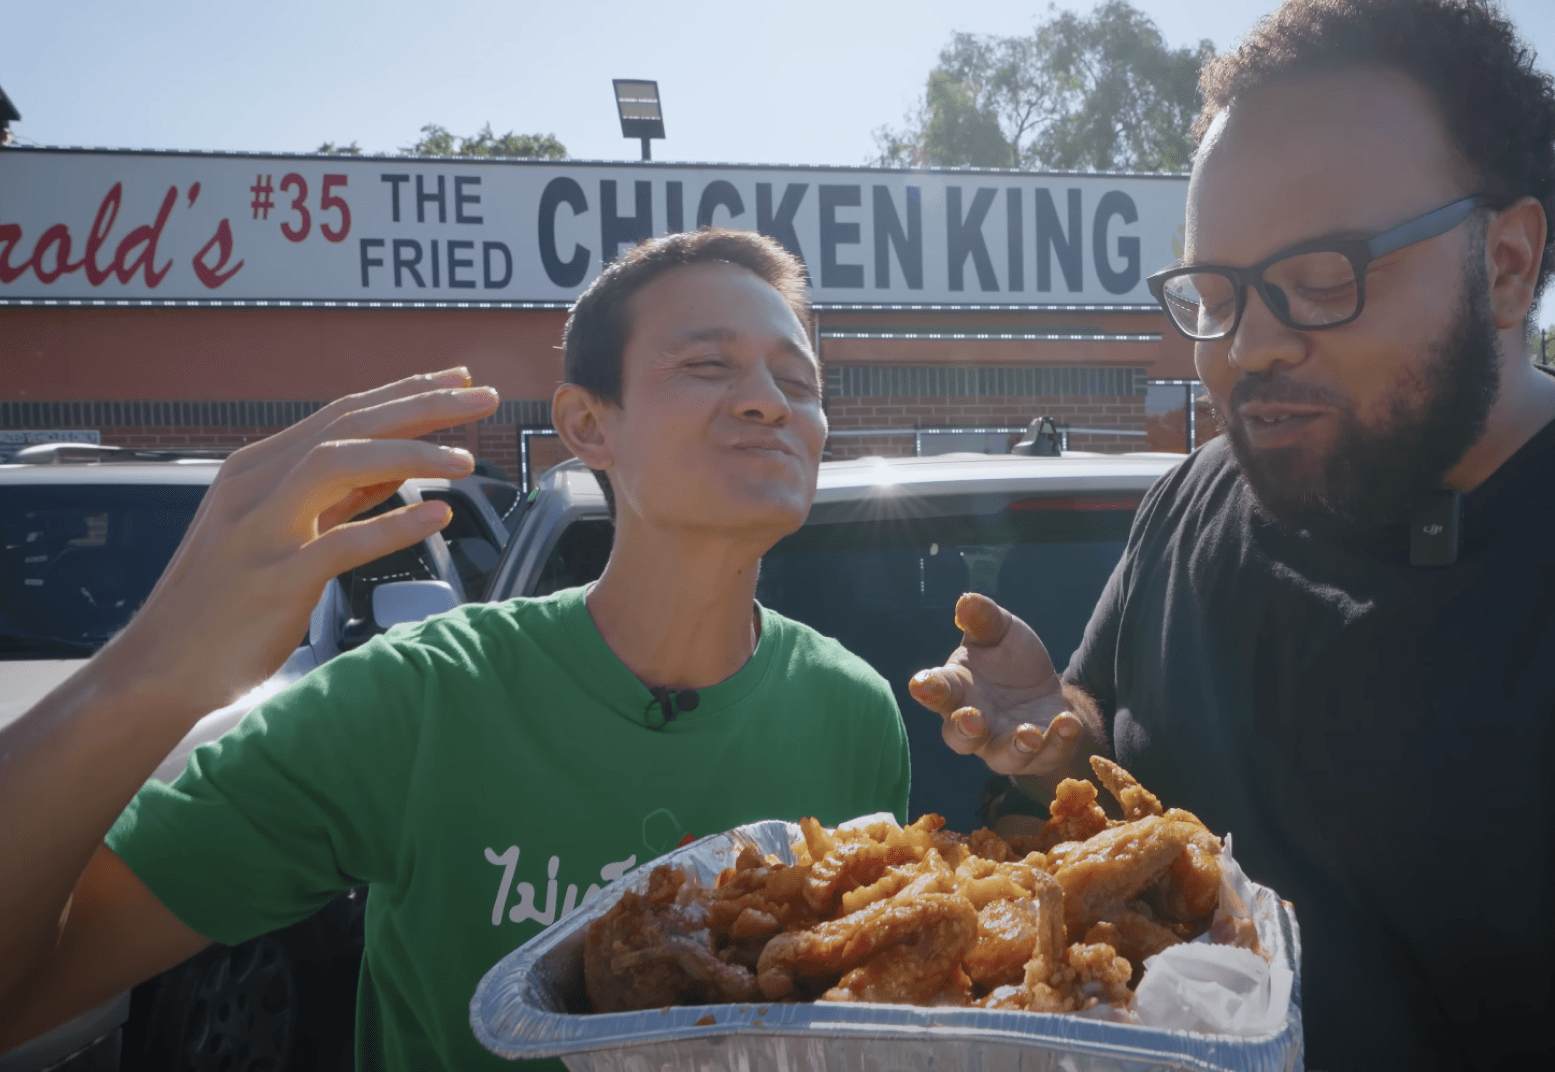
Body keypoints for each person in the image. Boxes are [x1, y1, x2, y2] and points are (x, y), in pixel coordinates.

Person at [0, 230, 910, 1070]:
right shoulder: (420, 697)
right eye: (708, 364)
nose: (766, 401)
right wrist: (149, 672)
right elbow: (26, 990)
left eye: (798, 382)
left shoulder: (855, 712)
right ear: (590, 424)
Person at [908, 1, 1555, 1068]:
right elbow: (1114, 746)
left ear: (1505, 264)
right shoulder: (1197, 499)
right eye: (1217, 291)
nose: (1247, 346)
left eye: (1319, 283)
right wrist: (1056, 740)